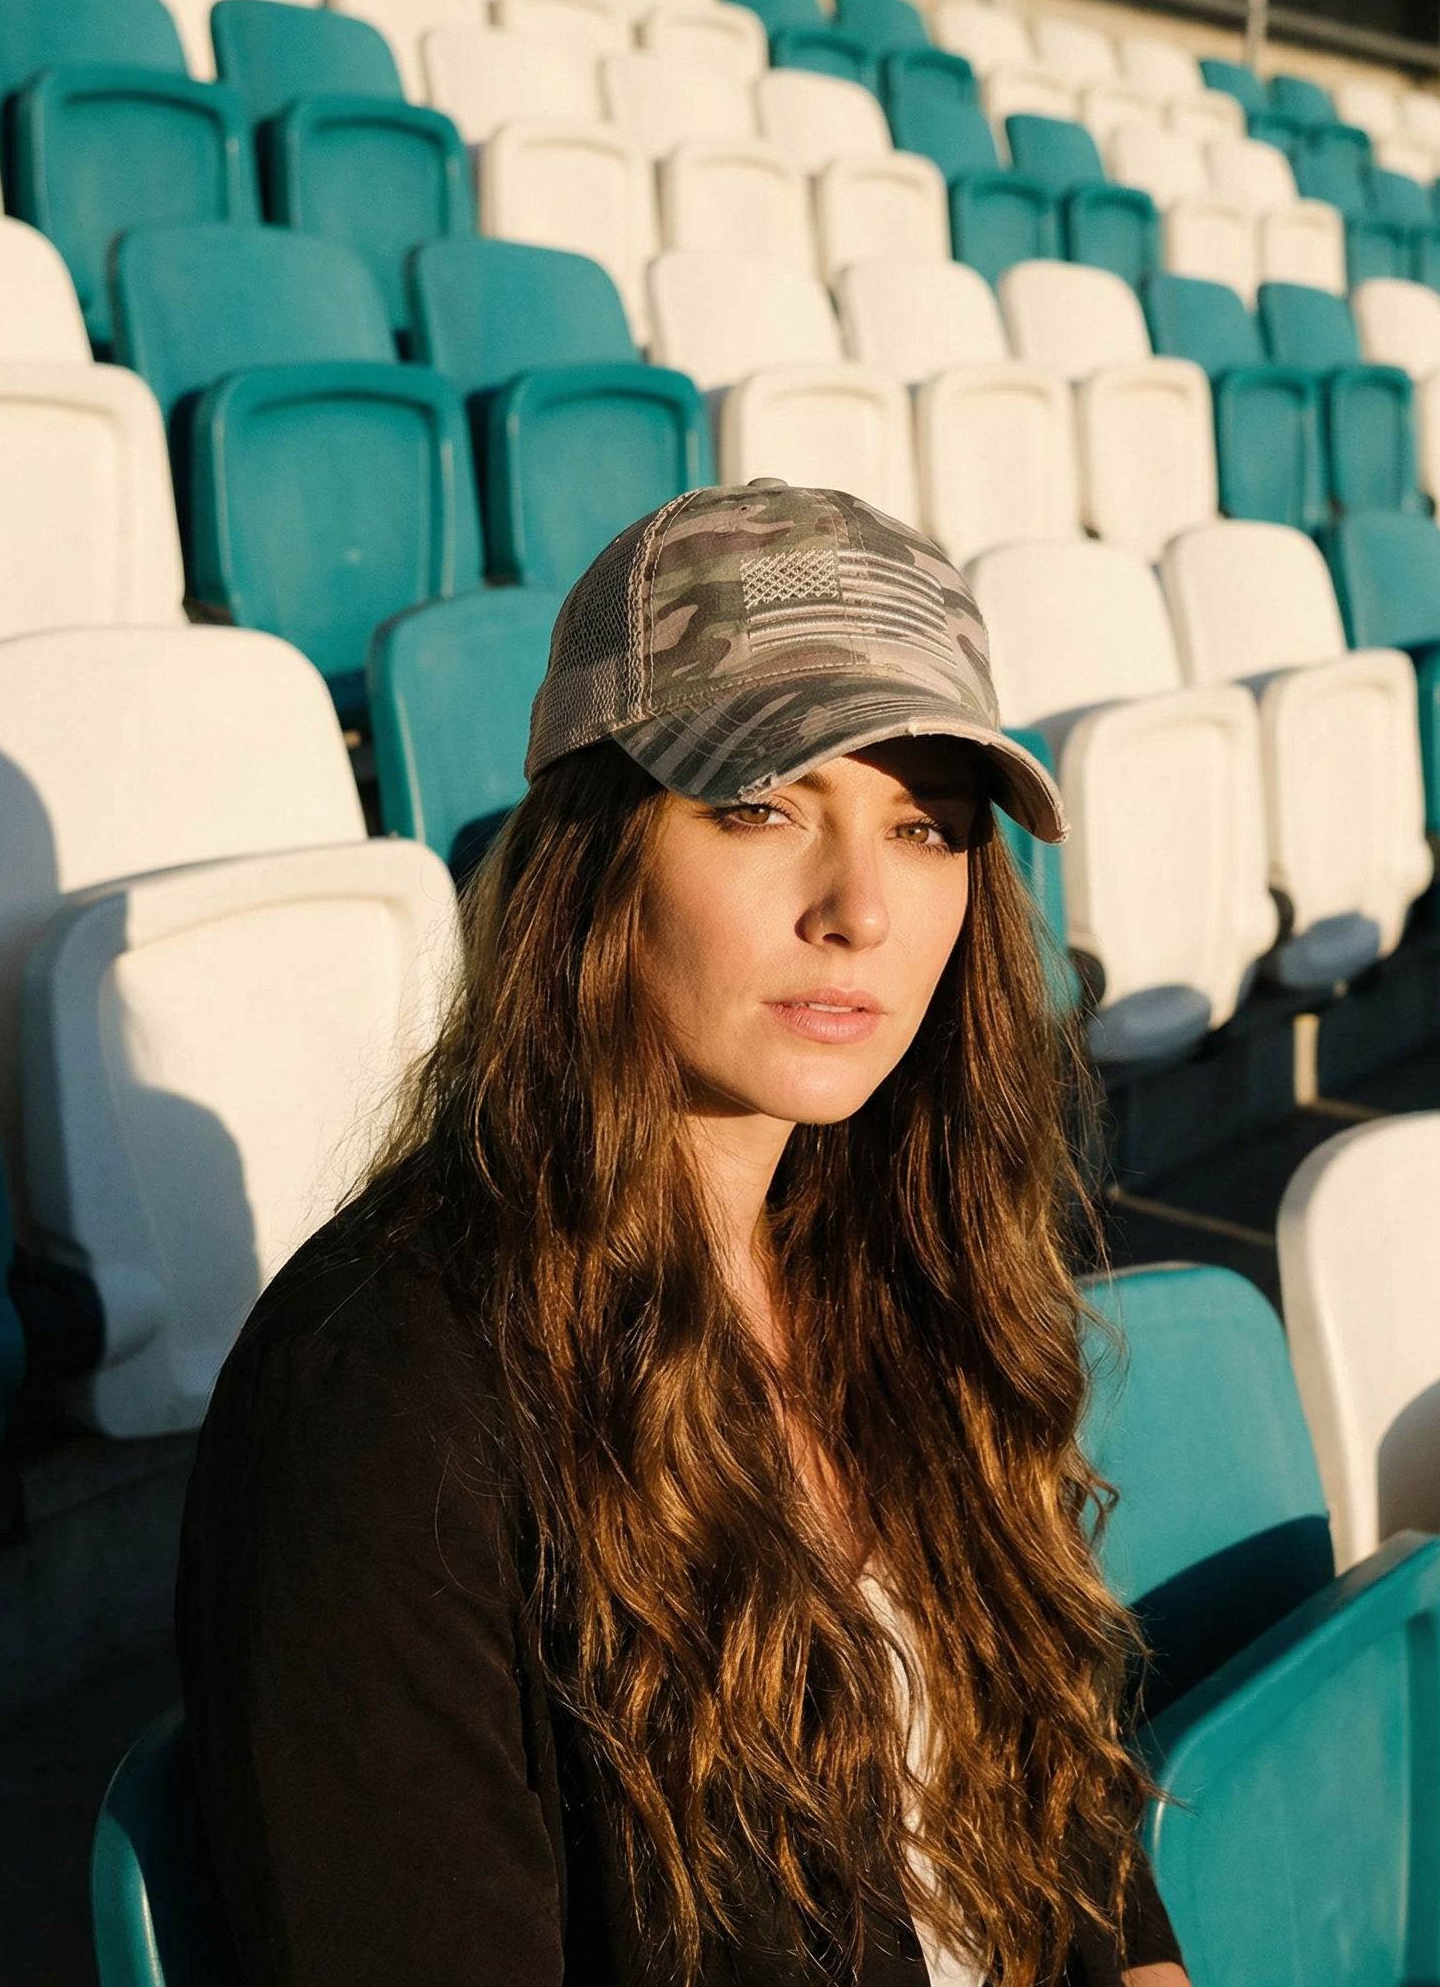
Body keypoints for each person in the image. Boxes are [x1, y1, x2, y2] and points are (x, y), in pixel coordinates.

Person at [179, 483, 1189, 1987]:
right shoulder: (384, 1402)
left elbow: (1058, 1828)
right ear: (597, 852)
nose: (860, 909)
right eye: (763, 805)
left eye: (925, 827)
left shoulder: (899, 1263)